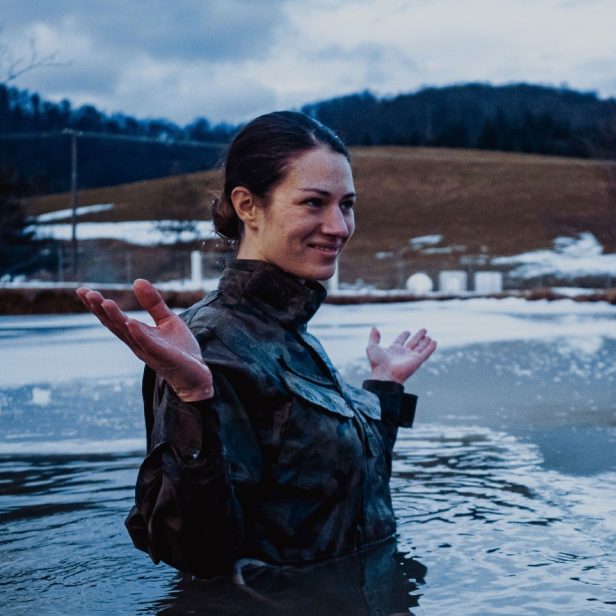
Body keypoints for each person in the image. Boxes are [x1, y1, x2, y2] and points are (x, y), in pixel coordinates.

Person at [76, 111, 436, 578]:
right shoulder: (213, 343)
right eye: (313, 203)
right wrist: (193, 401)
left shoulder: (288, 332)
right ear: (247, 205)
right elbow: (196, 551)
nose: (339, 225)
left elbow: (335, 485)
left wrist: (384, 389)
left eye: (346, 205)